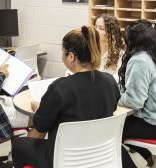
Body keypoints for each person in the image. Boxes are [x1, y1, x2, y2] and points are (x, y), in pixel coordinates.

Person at [12, 26, 120, 168]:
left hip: (64, 159)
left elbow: (39, 131)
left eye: (62, 51)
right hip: (100, 156)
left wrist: (40, 110)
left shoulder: (59, 89)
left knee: (19, 145)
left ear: (71, 57)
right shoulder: (110, 82)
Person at [118, 19, 156, 168]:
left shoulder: (139, 60)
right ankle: (152, 159)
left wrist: (113, 97)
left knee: (110, 131)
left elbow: (134, 102)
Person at [94, 13, 125, 82]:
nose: (96, 30)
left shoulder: (120, 54)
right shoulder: (89, 48)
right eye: (95, 26)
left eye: (101, 28)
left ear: (111, 33)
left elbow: (118, 78)